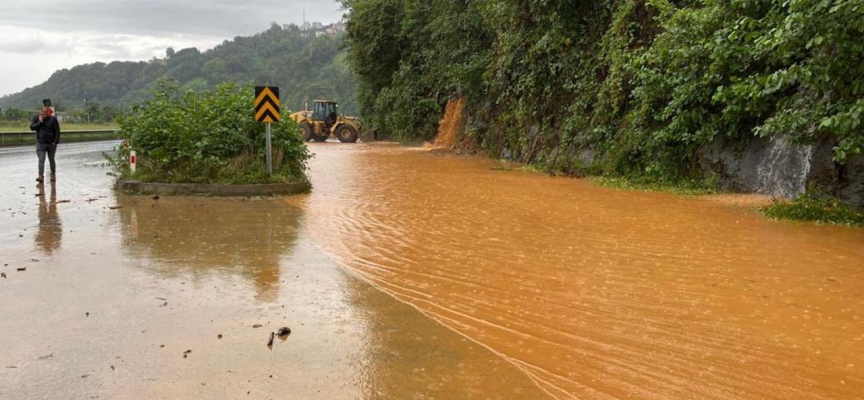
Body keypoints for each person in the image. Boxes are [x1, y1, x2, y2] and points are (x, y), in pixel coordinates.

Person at [30, 99, 61, 182]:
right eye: (43, 112)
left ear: (48, 112)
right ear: (40, 112)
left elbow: (57, 131)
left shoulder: (53, 119)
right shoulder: (35, 118)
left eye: (46, 112)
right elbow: (32, 128)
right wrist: (40, 122)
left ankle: (53, 175)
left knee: (51, 160)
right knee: (41, 160)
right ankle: (40, 176)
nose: (44, 114)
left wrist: (55, 142)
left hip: (51, 143)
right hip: (40, 143)